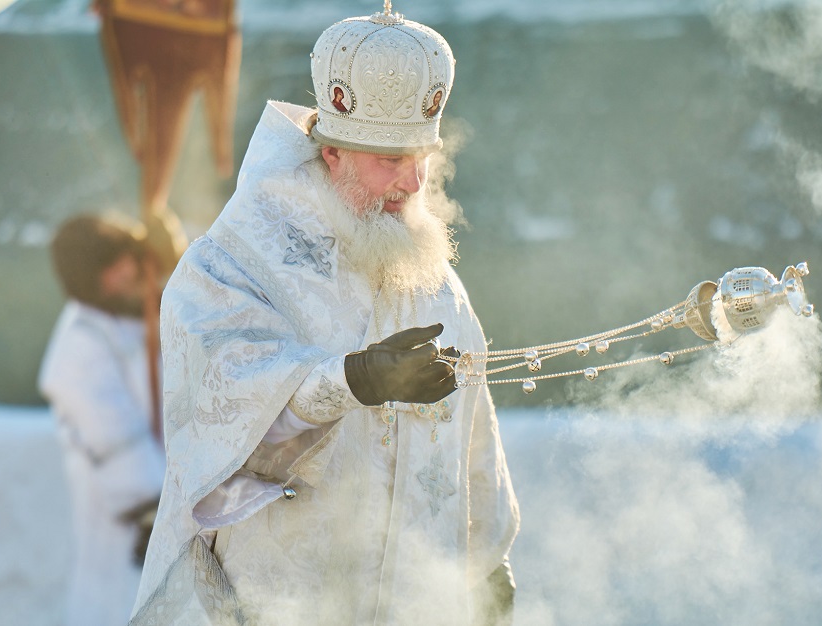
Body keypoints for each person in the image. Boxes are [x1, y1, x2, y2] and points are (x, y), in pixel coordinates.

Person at [131, 6, 519, 626]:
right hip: (280, 599)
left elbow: (470, 421)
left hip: (415, 599)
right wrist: (353, 380)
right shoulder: (235, 259)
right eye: (389, 160)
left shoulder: (428, 268)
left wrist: (485, 557)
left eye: (419, 156)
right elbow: (215, 407)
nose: (412, 182)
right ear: (331, 150)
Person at [38, 211, 186, 626]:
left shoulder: (139, 311)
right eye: (113, 270)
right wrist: (157, 515)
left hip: (173, 514)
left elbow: (200, 311)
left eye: (129, 259)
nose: (127, 274)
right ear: (93, 282)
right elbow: (119, 445)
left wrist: (174, 255)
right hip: (128, 531)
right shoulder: (79, 345)